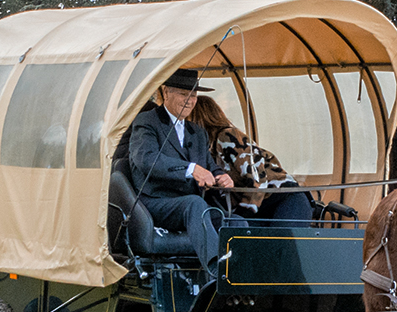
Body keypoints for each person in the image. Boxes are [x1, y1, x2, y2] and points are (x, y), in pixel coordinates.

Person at [128, 68, 237, 273]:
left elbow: (209, 165)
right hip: (155, 202)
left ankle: (245, 273)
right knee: (195, 204)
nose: (190, 100)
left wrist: (221, 176)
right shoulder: (147, 122)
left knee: (235, 222)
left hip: (189, 206)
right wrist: (190, 169)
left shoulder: (197, 132)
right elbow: (147, 160)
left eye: (194, 95)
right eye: (183, 94)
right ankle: (217, 272)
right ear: (166, 92)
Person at [190, 95, 313, 224]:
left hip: (283, 199)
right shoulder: (209, 149)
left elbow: (257, 178)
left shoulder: (227, 137)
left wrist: (243, 215)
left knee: (283, 241)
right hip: (261, 205)